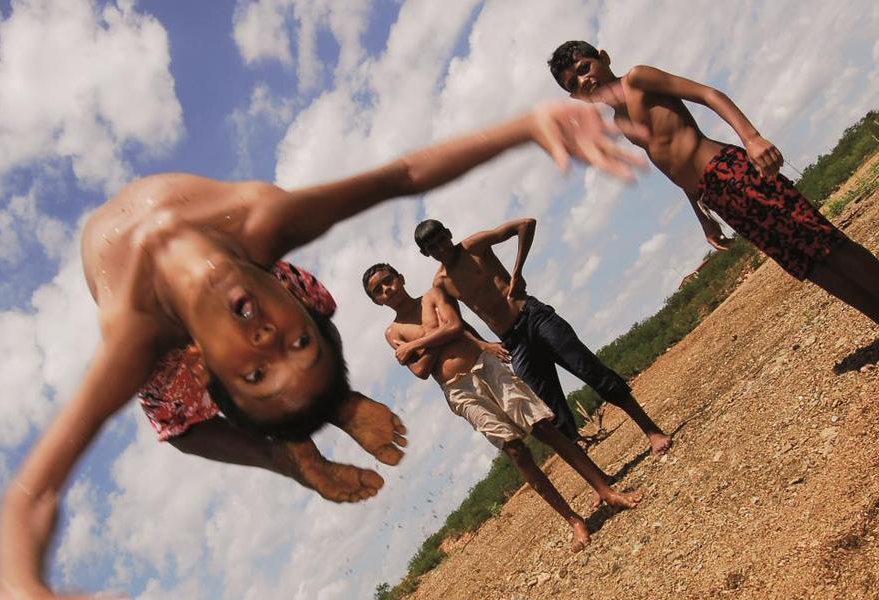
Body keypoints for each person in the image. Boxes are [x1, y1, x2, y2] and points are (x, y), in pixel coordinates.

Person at [0, 99, 648, 600]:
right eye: (278, 354)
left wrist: (529, 123)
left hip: (232, 302)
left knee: (254, 390)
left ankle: (321, 410)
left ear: (204, 362)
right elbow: (405, 175)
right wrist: (21, 591)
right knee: (199, 417)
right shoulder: (221, 266)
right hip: (231, 303)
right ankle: (304, 442)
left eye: (261, 364)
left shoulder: (190, 291)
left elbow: (30, 491)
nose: (264, 338)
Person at [547, 41, 879, 323]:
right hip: (714, 196)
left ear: (603, 58)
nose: (583, 80)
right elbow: (668, 165)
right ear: (577, 98)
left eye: (584, 67)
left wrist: (752, 138)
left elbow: (708, 93)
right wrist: (702, 217)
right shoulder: (620, 121)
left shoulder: (637, 79)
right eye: (573, 84)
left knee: (823, 243)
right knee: (805, 263)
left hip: (730, 171)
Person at [364, 263, 640, 551]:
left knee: (543, 427)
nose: (387, 290)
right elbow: (420, 370)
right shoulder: (393, 332)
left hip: (485, 366)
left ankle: (605, 490)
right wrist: (438, 333)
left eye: (388, 281)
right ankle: (573, 520)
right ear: (377, 301)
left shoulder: (433, 295)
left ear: (400, 278)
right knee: (516, 451)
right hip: (459, 390)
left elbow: (456, 327)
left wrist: (417, 344)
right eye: (378, 290)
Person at [413, 216, 672, 458]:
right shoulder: (441, 284)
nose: (440, 248)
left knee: (589, 369)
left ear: (448, 234)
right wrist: (483, 344)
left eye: (440, 240)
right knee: (548, 408)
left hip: (534, 317)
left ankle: (652, 431)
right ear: (426, 254)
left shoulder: (474, 245)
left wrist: (517, 272)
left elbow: (526, 224)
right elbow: (456, 324)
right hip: (512, 342)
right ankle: (600, 480)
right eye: (432, 247)